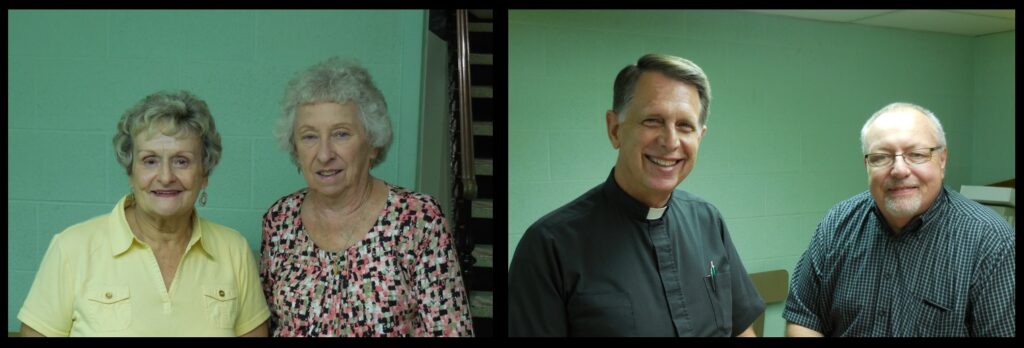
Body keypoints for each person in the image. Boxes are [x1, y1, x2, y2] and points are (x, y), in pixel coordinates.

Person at [508, 53, 765, 337]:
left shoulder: (708, 221)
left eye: (685, 126)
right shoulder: (549, 247)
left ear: (700, 137)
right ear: (614, 129)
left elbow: (742, 330)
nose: (670, 141)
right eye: (653, 121)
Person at [16, 91, 271, 336]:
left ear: (204, 174)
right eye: (150, 160)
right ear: (131, 171)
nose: (165, 176)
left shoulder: (233, 250)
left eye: (181, 161)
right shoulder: (71, 248)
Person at [260, 57, 474, 337]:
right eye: (309, 137)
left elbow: (451, 331)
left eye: (341, 134)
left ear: (373, 142)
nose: (324, 154)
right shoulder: (279, 221)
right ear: (295, 148)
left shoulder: (418, 219)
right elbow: (267, 323)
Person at [784, 102, 1015, 337]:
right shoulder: (837, 224)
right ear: (867, 164)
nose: (899, 170)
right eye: (881, 157)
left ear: (942, 159)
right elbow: (803, 319)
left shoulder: (991, 243)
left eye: (916, 154)